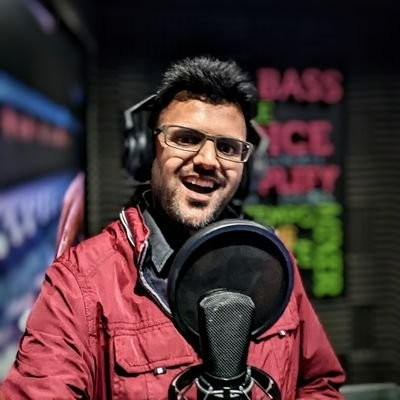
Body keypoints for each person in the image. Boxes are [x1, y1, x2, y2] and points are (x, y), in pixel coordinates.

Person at [1, 56, 345, 399]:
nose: (208, 161)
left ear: (247, 167)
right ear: (145, 149)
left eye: (227, 147)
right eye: (186, 138)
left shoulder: (272, 264)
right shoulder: (81, 283)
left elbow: (318, 384)